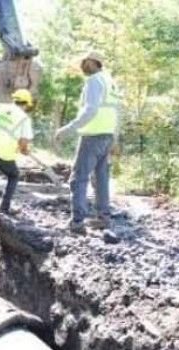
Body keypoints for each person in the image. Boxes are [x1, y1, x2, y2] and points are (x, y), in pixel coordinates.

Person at [55, 51, 121, 234]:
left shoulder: (93, 81)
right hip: (106, 136)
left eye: (85, 62)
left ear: (95, 62)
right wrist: (115, 138)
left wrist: (66, 129)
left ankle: (77, 222)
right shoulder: (110, 82)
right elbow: (117, 112)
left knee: (79, 179)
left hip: (92, 136)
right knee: (101, 179)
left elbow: (90, 110)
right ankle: (103, 218)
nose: (82, 65)